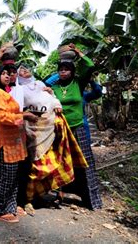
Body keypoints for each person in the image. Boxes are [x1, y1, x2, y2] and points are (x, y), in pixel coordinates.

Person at [17, 62, 88, 215]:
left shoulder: (40, 83)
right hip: (31, 130)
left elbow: (52, 97)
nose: (25, 71)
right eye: (21, 69)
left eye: (27, 68)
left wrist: (55, 102)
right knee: (33, 165)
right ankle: (27, 199)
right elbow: (17, 108)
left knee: (49, 162)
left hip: (48, 129)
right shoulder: (17, 89)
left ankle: (39, 196)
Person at [50, 44, 103, 210]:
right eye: (61, 70)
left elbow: (90, 66)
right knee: (60, 161)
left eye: (67, 69)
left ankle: (91, 200)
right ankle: (60, 195)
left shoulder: (78, 83)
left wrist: (78, 53)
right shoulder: (55, 86)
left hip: (78, 127)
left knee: (85, 162)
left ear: (72, 71)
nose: (63, 72)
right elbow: (44, 82)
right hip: (60, 128)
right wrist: (60, 66)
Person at [0, 65, 37, 223]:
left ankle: (10, 206)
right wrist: (24, 115)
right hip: (3, 141)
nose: (7, 76)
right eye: (3, 73)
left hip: (13, 142)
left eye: (8, 74)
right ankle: (0, 209)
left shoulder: (3, 92)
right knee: (4, 177)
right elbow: (1, 116)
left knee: (11, 177)